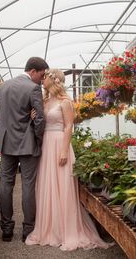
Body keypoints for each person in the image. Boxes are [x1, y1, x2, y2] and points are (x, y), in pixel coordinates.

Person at [25, 68, 112, 250]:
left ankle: (66, 230)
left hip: (60, 144)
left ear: (53, 80)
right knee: (47, 185)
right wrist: (33, 118)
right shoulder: (44, 100)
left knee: (62, 187)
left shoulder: (65, 102)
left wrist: (64, 150)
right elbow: (41, 123)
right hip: (46, 146)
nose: (42, 80)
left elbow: (68, 126)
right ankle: (49, 228)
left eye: (45, 78)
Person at [0, 57, 49, 242]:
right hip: (28, 143)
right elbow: (39, 120)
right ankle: (28, 231)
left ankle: (6, 230)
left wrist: (5, 131)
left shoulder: (4, 86)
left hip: (6, 143)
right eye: (41, 74)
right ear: (32, 71)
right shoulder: (33, 88)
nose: (42, 78)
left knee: (6, 185)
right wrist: (38, 140)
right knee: (28, 185)